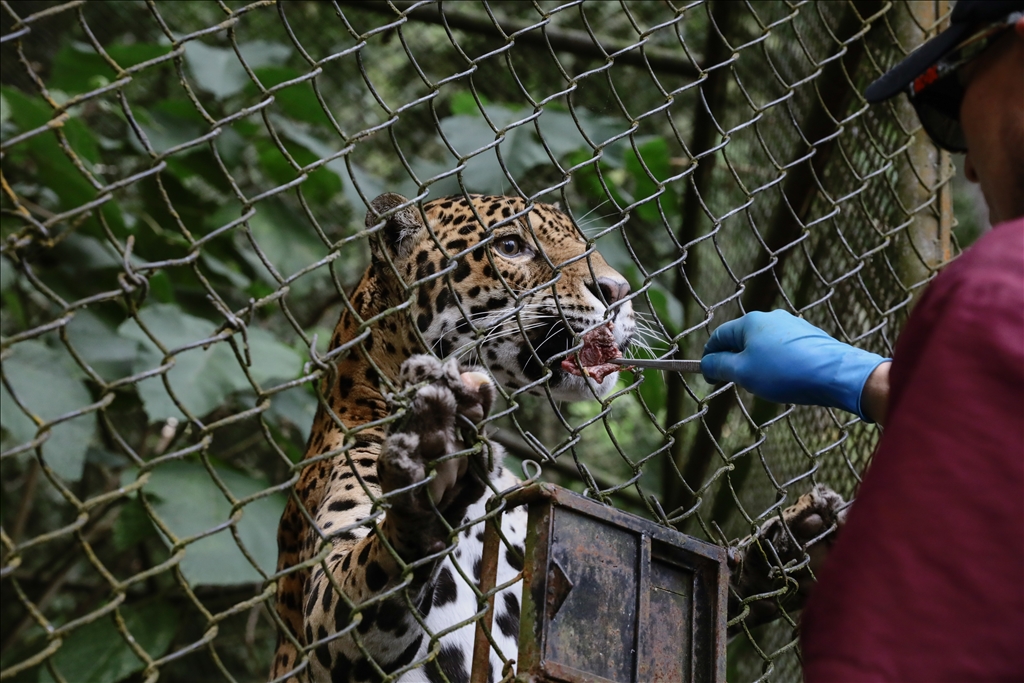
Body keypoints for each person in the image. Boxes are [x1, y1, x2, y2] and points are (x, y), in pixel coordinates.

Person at [700, 1, 1024, 680]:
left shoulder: (996, 289)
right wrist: (870, 378)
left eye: (952, 93)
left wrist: (865, 573)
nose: (962, 168)